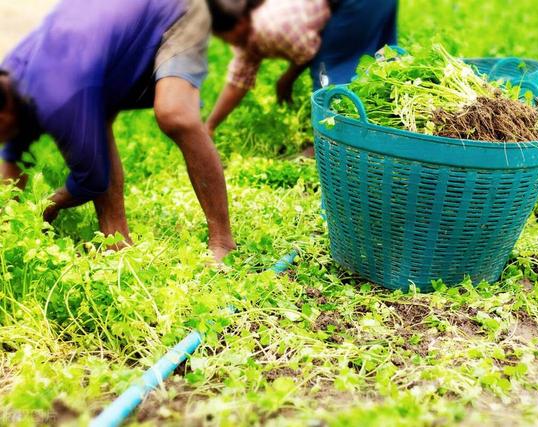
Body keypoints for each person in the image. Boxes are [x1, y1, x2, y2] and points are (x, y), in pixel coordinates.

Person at [0, 0, 236, 262]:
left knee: (174, 114)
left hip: (174, 11)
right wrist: (9, 220)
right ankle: (116, 242)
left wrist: (47, 205)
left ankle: (222, 241)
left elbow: (91, 180)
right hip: (106, 42)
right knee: (92, 122)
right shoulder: (9, 76)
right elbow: (12, 157)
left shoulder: (57, 96)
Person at [204, 0, 398, 135]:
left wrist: (286, 79)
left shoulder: (271, 27)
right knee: (383, 59)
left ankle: (328, 140)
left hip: (358, 4)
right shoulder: (248, 32)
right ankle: (390, 124)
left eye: (226, 34)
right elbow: (238, 80)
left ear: (242, 21)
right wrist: (210, 126)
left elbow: (309, 51)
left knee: (328, 69)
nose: (227, 40)